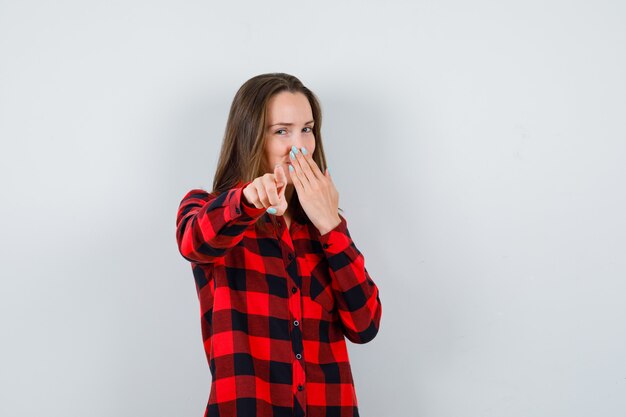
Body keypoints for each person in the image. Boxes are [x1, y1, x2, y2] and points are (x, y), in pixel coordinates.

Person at [175, 73, 382, 417]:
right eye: (281, 131)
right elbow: (194, 241)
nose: (299, 145)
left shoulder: (323, 228)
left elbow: (365, 326)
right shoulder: (209, 209)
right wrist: (249, 200)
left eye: (307, 129)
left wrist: (331, 225)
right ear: (251, 137)